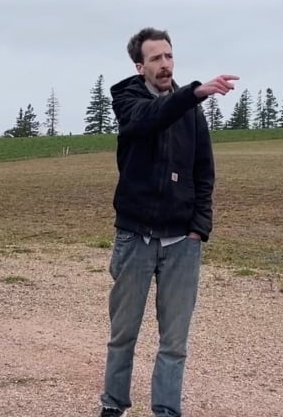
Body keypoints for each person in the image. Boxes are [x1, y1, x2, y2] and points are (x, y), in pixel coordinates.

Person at [99, 27, 238, 417]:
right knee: (123, 334)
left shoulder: (190, 112)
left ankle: (166, 411)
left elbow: (204, 171)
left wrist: (199, 228)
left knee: (174, 341)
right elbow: (148, 119)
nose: (165, 64)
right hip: (134, 237)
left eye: (169, 56)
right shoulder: (127, 99)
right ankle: (113, 405)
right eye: (156, 58)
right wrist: (193, 93)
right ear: (140, 65)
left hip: (182, 243)